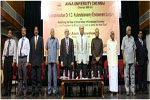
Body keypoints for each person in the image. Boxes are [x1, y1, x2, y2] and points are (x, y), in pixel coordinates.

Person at [121, 26, 136, 96]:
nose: (130, 31)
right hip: (126, 60)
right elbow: (122, 50)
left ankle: (133, 90)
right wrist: (123, 59)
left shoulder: (133, 38)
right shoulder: (124, 39)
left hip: (132, 59)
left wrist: (135, 58)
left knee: (132, 75)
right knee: (126, 76)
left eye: (130, 30)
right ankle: (127, 90)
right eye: (128, 30)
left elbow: (134, 49)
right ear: (126, 31)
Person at [29, 26, 44, 96]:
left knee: (39, 77)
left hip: (39, 61)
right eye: (34, 30)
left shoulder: (41, 39)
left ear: (38, 31)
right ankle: (33, 91)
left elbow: (42, 50)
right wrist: (30, 61)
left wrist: (42, 61)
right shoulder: (31, 39)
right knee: (33, 77)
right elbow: (30, 51)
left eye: (36, 30)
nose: (35, 31)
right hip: (33, 61)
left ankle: (39, 91)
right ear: (34, 31)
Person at [2, 29, 17, 96]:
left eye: (10, 33)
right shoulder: (6, 42)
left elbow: (15, 52)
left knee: (10, 76)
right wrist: (2, 61)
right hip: (6, 59)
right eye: (8, 33)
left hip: (11, 59)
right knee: (5, 76)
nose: (9, 34)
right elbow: (3, 52)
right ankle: (5, 91)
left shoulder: (14, 42)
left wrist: (14, 60)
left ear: (12, 34)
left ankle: (9, 91)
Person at [16, 27, 30, 97]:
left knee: (24, 76)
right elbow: (17, 50)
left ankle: (25, 91)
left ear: (25, 32)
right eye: (22, 31)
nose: (23, 32)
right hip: (19, 58)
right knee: (20, 77)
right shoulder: (19, 40)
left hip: (24, 59)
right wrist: (17, 61)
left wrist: (27, 61)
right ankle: (19, 91)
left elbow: (28, 51)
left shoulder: (27, 40)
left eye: (24, 31)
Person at [60, 29, 74, 96]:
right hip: (64, 61)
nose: (66, 33)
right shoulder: (62, 41)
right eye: (65, 31)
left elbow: (72, 52)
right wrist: (61, 61)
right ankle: (65, 90)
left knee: (70, 76)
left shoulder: (71, 40)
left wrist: (72, 61)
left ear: (69, 33)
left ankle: (70, 90)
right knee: (65, 76)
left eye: (68, 32)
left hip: (70, 61)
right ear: (64, 33)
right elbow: (61, 52)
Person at [45, 28, 59, 96]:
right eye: (51, 32)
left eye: (53, 32)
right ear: (50, 33)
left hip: (54, 60)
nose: (52, 33)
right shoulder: (48, 40)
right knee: (49, 76)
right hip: (49, 60)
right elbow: (46, 50)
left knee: (54, 76)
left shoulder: (56, 40)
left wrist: (57, 59)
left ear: (54, 33)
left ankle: (55, 91)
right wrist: (46, 59)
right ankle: (49, 90)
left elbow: (57, 50)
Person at [76, 25, 89, 96]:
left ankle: (84, 89)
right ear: (79, 30)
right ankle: (80, 88)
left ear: (84, 30)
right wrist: (76, 59)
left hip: (84, 59)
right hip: (79, 59)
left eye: (82, 29)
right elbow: (77, 49)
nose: (81, 30)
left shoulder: (86, 37)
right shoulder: (77, 38)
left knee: (84, 74)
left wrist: (87, 59)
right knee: (80, 75)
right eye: (80, 29)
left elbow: (87, 49)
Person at [107, 31, 118, 96]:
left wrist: (116, 61)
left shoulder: (116, 41)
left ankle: (116, 91)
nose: (113, 35)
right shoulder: (108, 42)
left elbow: (116, 52)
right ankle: (111, 91)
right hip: (110, 62)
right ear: (110, 35)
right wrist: (108, 61)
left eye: (113, 34)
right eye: (112, 34)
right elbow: (108, 52)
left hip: (115, 62)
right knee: (111, 77)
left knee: (115, 76)